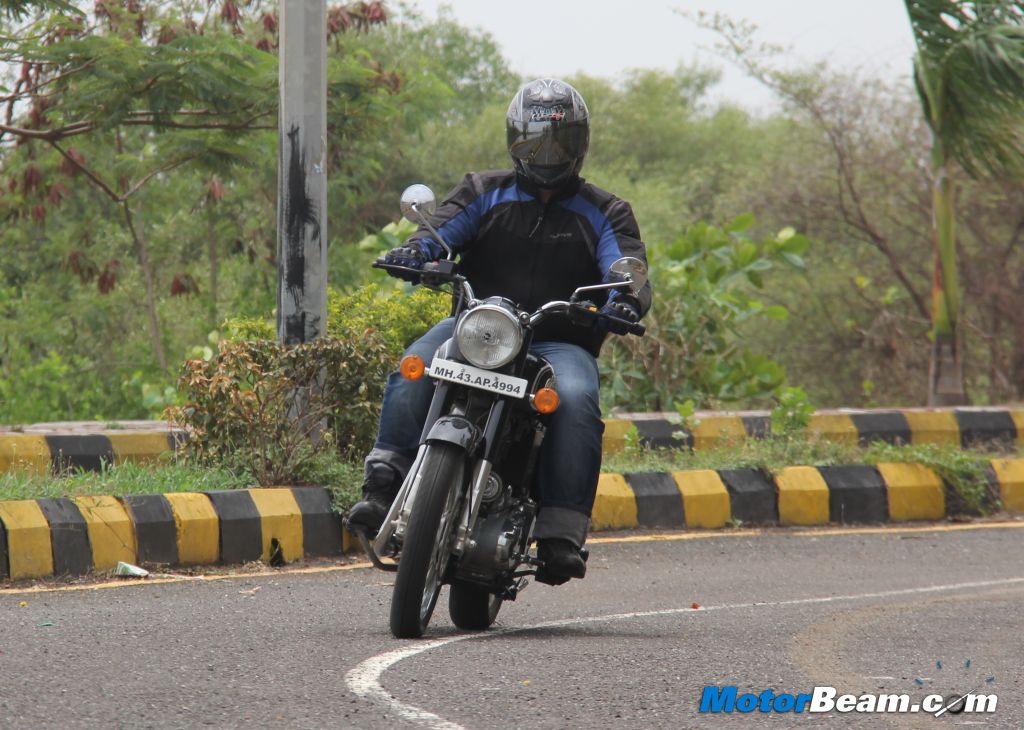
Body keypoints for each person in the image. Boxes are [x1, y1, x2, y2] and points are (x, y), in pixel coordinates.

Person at [347, 78, 652, 583]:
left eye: (558, 141)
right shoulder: (484, 190)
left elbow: (624, 263)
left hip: (558, 336)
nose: (546, 153)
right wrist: (416, 252)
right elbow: (441, 230)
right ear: (514, 141)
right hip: (477, 323)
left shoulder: (605, 210)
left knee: (575, 398)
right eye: (534, 141)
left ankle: (561, 531)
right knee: (415, 366)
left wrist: (623, 299)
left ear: (580, 144)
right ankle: (382, 487)